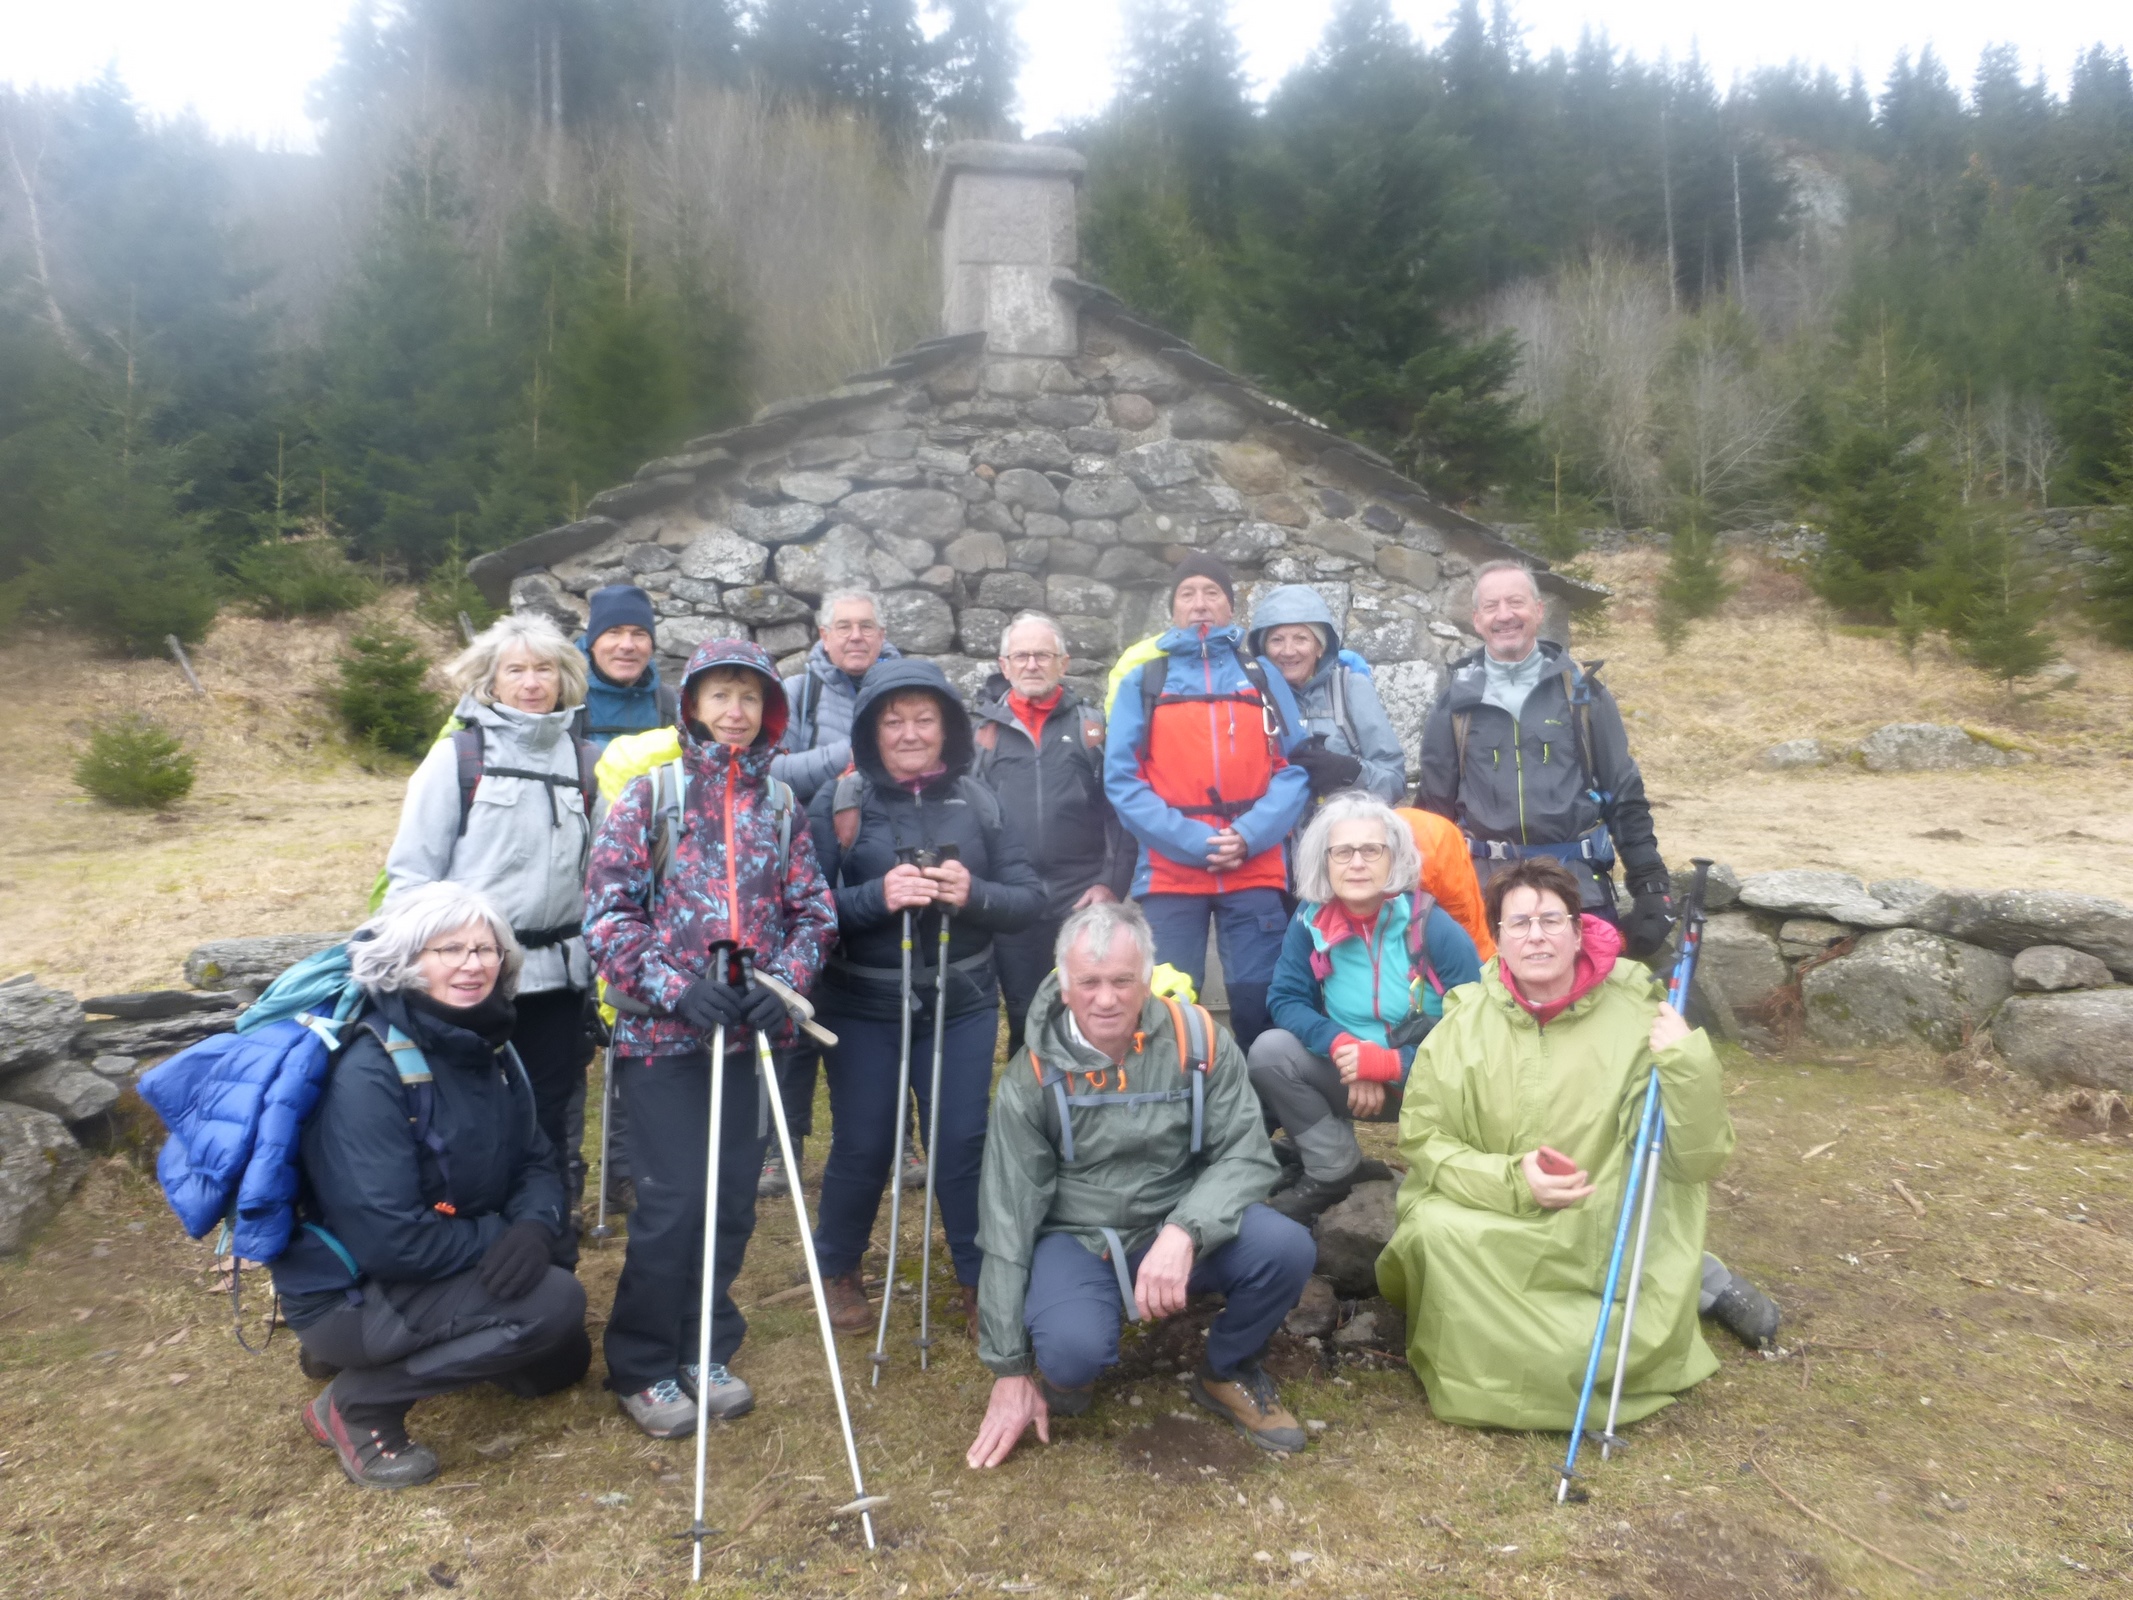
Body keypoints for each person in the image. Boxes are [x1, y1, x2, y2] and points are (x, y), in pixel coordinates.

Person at [1375, 858, 1778, 1432]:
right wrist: (1515, 1179)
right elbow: (1427, 1142)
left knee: (1565, 1347)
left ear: (1578, 929)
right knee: (1435, 1230)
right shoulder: (1462, 1026)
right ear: (1498, 937)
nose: (1536, 935)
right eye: (1518, 923)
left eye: (1551, 919)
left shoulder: (1642, 1015)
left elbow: (1699, 1158)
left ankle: (1671, 1295)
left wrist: (1688, 1063)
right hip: (1497, 1222)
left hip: (1599, 1224)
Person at [583, 638, 838, 1438]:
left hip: (751, 1041)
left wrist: (784, 992)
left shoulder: (781, 807)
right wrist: (673, 991)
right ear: (691, 705)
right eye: (720, 696)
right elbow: (608, 916)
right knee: (671, 1201)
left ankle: (706, 1344)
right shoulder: (650, 796)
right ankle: (644, 1362)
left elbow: (813, 915)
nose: (735, 712)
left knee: (731, 1199)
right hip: (663, 1042)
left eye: (750, 699)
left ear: (770, 713)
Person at [966, 901, 1316, 1467]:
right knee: (1073, 1355)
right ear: (1063, 982)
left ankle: (1227, 1370)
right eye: (1090, 982)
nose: (1106, 998)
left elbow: (1248, 1155)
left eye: (1123, 981)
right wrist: (1008, 1368)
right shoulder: (1029, 1076)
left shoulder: (1198, 1039)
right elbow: (1007, 1219)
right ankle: (1067, 1356)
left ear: (1148, 977)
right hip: (1079, 1237)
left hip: (1181, 1220)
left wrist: (1184, 1230)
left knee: (1287, 1248)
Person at [276, 883, 587, 1489]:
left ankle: (392, 1349)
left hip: (441, 1256)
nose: (473, 965)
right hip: (358, 1288)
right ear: (407, 961)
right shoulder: (370, 1070)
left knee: (559, 1366)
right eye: (449, 949)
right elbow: (390, 1239)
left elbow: (537, 1162)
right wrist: (505, 1236)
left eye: (486, 949)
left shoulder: (491, 1046)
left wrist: (532, 1228)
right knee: (554, 1304)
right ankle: (358, 1403)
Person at [806, 658, 1045, 1335]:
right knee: (864, 1141)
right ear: (869, 731)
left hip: (961, 998)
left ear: (947, 728)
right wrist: (872, 898)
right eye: (892, 720)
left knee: (962, 1139)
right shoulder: (841, 802)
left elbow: (1029, 899)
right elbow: (809, 910)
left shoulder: (979, 800)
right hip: (860, 1003)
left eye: (923, 719)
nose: (909, 733)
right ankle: (837, 1268)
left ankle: (977, 1277)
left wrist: (976, 894)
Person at [383, 614, 597, 1208]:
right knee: (469, 1110)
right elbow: (411, 876)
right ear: (490, 681)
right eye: (516, 670)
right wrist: (418, 971)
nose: (532, 682)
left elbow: (602, 880)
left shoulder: (586, 763)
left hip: (557, 980)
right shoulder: (456, 759)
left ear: (565, 678)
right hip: (470, 979)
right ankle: (471, 1232)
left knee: (547, 1113)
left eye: (545, 668)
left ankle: (549, 1236)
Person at [1415, 561, 1673, 958]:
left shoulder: (1583, 695)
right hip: (1487, 898)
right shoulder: (1454, 706)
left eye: (1515, 602)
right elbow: (1433, 816)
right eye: (1492, 606)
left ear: (1538, 610)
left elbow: (1625, 795)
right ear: (1476, 619)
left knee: (1588, 1013)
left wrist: (1651, 888)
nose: (1504, 615)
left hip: (1578, 893)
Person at [1103, 555, 1310, 1050]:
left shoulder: (1260, 677)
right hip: (1172, 871)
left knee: (1259, 998)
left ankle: (1266, 1117)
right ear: (1172, 608)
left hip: (1254, 865)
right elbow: (1122, 779)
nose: (1200, 603)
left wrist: (1247, 836)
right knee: (1167, 1004)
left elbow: (1296, 767)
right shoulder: (1145, 680)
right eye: (1187, 593)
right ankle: (1178, 1114)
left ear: (1231, 606)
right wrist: (1196, 842)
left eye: (1212, 592)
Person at [1250, 794, 1483, 1225]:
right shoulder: (1310, 919)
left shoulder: (1434, 927)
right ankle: (1333, 1167)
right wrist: (1346, 1049)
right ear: (1326, 861)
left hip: (1430, 1085)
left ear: (1394, 858)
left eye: (1371, 849)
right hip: (1349, 1068)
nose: (1357, 863)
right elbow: (1284, 999)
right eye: (1343, 851)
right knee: (1270, 1051)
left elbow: (1482, 1029)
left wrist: (1392, 1064)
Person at [759, 588, 902, 1199]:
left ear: (882, 632)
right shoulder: (796, 694)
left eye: (866, 626)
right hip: (801, 863)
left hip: (882, 860)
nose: (855, 636)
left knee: (894, 1012)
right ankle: (778, 1150)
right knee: (796, 1009)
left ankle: (903, 1142)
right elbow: (769, 769)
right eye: (843, 626)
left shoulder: (905, 685)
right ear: (822, 633)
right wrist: (854, 753)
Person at [971, 611, 1133, 1056]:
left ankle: (1092, 1105)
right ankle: (1034, 1110)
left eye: (1043, 655)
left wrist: (1111, 884)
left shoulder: (1092, 728)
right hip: (1013, 896)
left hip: (1081, 894)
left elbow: (1121, 813)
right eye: (1020, 656)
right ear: (1004, 666)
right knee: (1025, 1011)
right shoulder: (983, 733)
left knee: (1089, 1007)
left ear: (1064, 663)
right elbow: (970, 818)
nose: (1031, 665)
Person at [1246, 585, 1408, 806]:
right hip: (1275, 838)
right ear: (1263, 649)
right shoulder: (1250, 696)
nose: (1288, 651)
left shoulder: (1350, 687)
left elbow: (1395, 781)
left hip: (1343, 835)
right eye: (1277, 640)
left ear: (1320, 647)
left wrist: (1349, 772)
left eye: (1301, 638)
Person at [576, 583, 679, 752]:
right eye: (614, 632)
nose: (627, 645)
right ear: (592, 643)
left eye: (639, 634)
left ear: (651, 646)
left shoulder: (669, 705)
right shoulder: (564, 701)